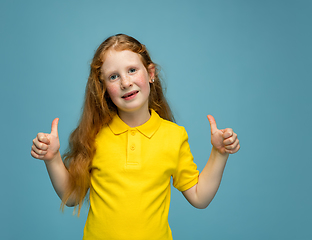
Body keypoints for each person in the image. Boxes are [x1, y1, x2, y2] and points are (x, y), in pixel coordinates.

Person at [31, 34, 240, 240]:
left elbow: (199, 197)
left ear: (150, 73)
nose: (125, 82)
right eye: (113, 76)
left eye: (132, 70)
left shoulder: (174, 136)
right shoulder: (93, 135)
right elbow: (73, 197)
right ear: (103, 88)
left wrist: (219, 154)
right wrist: (52, 158)